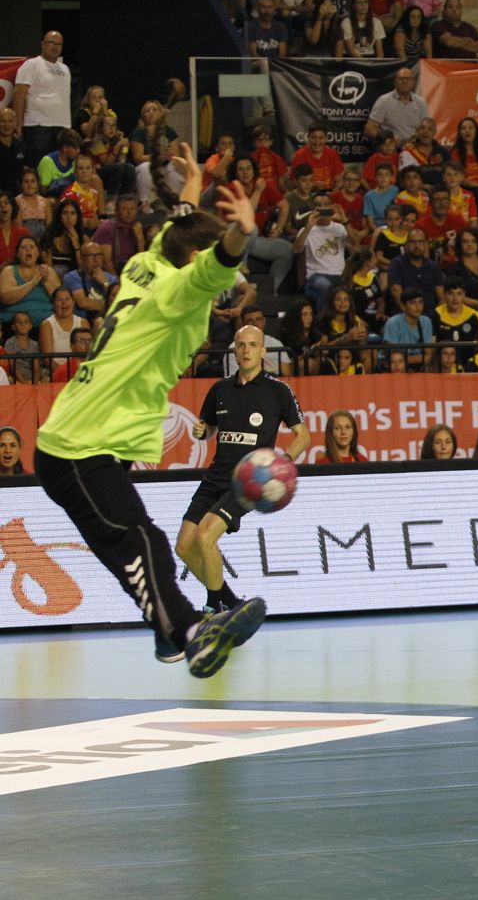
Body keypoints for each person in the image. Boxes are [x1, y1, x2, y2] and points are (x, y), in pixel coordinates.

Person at [29, 145, 266, 676]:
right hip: (78, 446)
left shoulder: (143, 264)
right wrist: (242, 231)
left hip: (80, 436)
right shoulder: (179, 292)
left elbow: (179, 231)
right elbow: (218, 259)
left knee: (129, 541)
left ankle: (169, 631)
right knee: (138, 537)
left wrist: (193, 184)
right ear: (193, 263)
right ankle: (191, 634)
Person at [178, 325, 310, 614]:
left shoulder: (278, 391)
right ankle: (232, 601)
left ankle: (215, 606)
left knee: (205, 537)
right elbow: (210, 427)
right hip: (214, 477)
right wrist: (203, 431)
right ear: (235, 350)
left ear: (263, 351)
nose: (246, 350)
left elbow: (304, 436)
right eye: (241, 345)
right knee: (184, 547)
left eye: (252, 345)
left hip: (248, 483)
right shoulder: (220, 389)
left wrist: (281, 463)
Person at [14, 32, 70, 168]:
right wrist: (18, 126)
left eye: (59, 44)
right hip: (38, 126)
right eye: (51, 43)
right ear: (43, 44)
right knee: (37, 168)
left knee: (58, 170)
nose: (55, 47)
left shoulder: (65, 69)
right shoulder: (32, 64)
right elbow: (19, 94)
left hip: (61, 127)